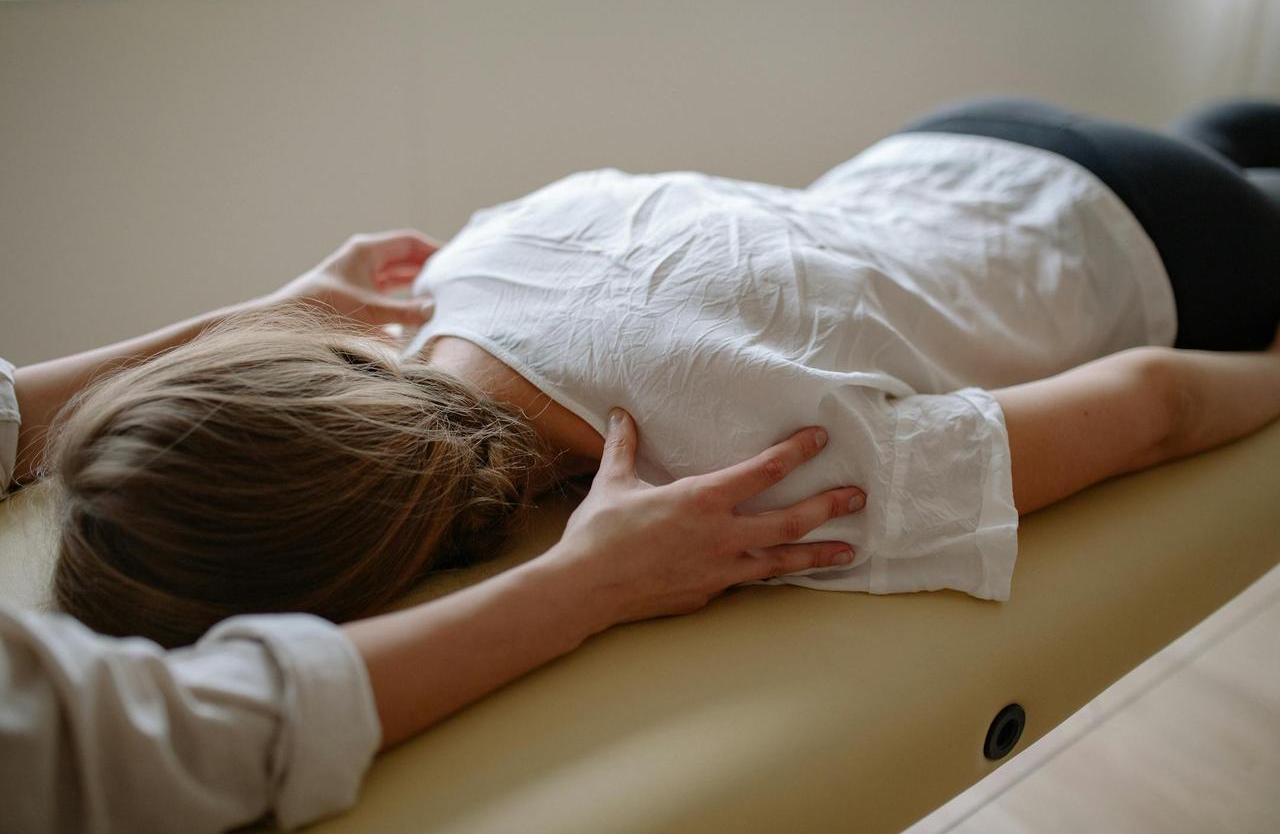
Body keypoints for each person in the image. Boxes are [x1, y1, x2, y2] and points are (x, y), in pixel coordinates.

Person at [41, 98, 1280, 649]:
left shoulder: (751, 486)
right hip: (969, 142)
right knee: (1226, 135)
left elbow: (1153, 403)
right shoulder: (467, 261)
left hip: (1151, 247)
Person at [1, 236, 866, 831]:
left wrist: (593, 580)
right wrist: (590, 580)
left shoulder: (766, 458)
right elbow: (177, 737)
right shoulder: (487, 255)